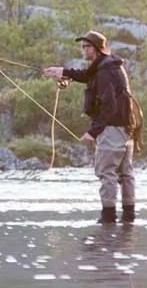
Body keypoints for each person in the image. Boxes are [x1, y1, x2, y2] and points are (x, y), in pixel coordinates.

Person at [44, 30, 136, 224]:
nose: (83, 50)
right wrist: (62, 72)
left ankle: (108, 217)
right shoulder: (107, 66)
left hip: (112, 128)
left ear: (96, 49)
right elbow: (87, 76)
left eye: (86, 46)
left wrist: (93, 132)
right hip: (127, 127)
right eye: (82, 46)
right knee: (125, 173)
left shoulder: (104, 71)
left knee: (107, 172)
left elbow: (109, 106)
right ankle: (129, 217)